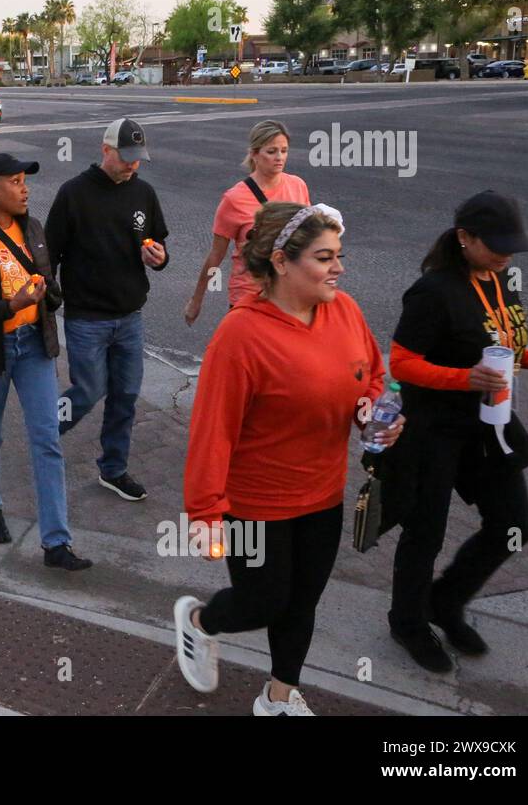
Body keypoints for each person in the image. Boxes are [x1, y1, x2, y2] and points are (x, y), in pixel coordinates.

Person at [173, 202, 401, 716]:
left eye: (338, 255)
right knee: (262, 602)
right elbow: (212, 433)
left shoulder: (345, 310)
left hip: (322, 494)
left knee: (301, 604)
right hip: (255, 505)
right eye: (325, 257)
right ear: (281, 261)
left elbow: (372, 377)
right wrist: (206, 514)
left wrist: (373, 412)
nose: (338, 268)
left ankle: (278, 696)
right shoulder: (240, 336)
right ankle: (200, 623)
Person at [385, 191, 528, 672]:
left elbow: (509, 347)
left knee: (511, 526)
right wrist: (462, 378)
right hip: (433, 427)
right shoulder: (433, 291)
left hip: (490, 421)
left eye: (513, 244)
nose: (507, 254)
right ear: (464, 238)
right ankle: (406, 621)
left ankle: (444, 601)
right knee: (426, 532)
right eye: (496, 243)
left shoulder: (501, 277)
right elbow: (401, 364)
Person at [0, 153, 93, 570]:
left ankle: (56, 543)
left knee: (46, 439)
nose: (24, 188)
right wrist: (11, 304)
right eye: (15, 180)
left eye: (24, 180)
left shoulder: (34, 229)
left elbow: (49, 283)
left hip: (34, 347)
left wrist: (48, 293)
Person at [44, 117, 169, 501]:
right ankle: (44, 435)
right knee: (87, 391)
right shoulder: (74, 194)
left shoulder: (143, 193)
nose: (133, 164)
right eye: (126, 157)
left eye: (138, 158)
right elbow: (49, 254)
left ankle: (113, 469)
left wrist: (159, 258)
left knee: (126, 395)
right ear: (105, 150)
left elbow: (158, 244)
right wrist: (48, 303)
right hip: (87, 318)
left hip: (130, 316)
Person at [186, 121, 310, 324]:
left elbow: (307, 237)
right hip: (249, 298)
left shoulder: (298, 186)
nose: (279, 158)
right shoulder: (234, 199)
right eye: (271, 151)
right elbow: (216, 255)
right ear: (254, 153)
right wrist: (196, 300)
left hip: (289, 295)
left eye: (284, 150)